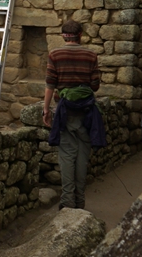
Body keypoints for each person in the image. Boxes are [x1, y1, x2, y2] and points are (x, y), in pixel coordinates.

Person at [43, 20, 105, 210]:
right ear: (80, 36)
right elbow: (95, 85)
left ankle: (68, 201)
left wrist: (46, 109)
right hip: (86, 114)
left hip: (65, 112)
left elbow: (50, 84)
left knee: (67, 156)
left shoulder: (55, 55)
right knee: (82, 156)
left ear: (63, 36)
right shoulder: (90, 55)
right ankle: (80, 201)